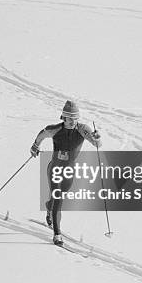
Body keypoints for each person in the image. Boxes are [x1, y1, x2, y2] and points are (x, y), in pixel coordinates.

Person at [30, 100, 101, 246]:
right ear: (63, 117)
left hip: (70, 171)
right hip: (55, 168)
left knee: (58, 199)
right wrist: (35, 146)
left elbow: (97, 144)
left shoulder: (83, 129)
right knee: (58, 198)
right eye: (69, 118)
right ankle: (57, 234)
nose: (72, 121)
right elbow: (41, 135)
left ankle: (49, 207)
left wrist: (97, 138)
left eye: (75, 118)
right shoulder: (55, 129)